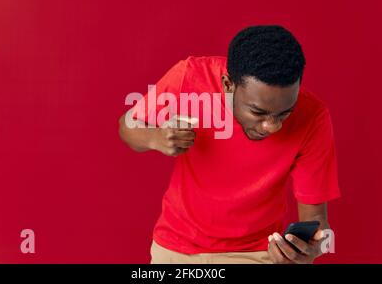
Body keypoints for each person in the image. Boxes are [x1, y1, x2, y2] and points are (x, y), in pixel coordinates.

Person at [118, 25, 340, 264]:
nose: (272, 126)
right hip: (176, 247)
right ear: (227, 84)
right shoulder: (189, 78)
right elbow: (126, 126)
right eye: (258, 112)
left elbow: (317, 220)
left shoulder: (313, 116)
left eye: (285, 113)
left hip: (257, 253)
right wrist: (156, 137)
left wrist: (309, 249)